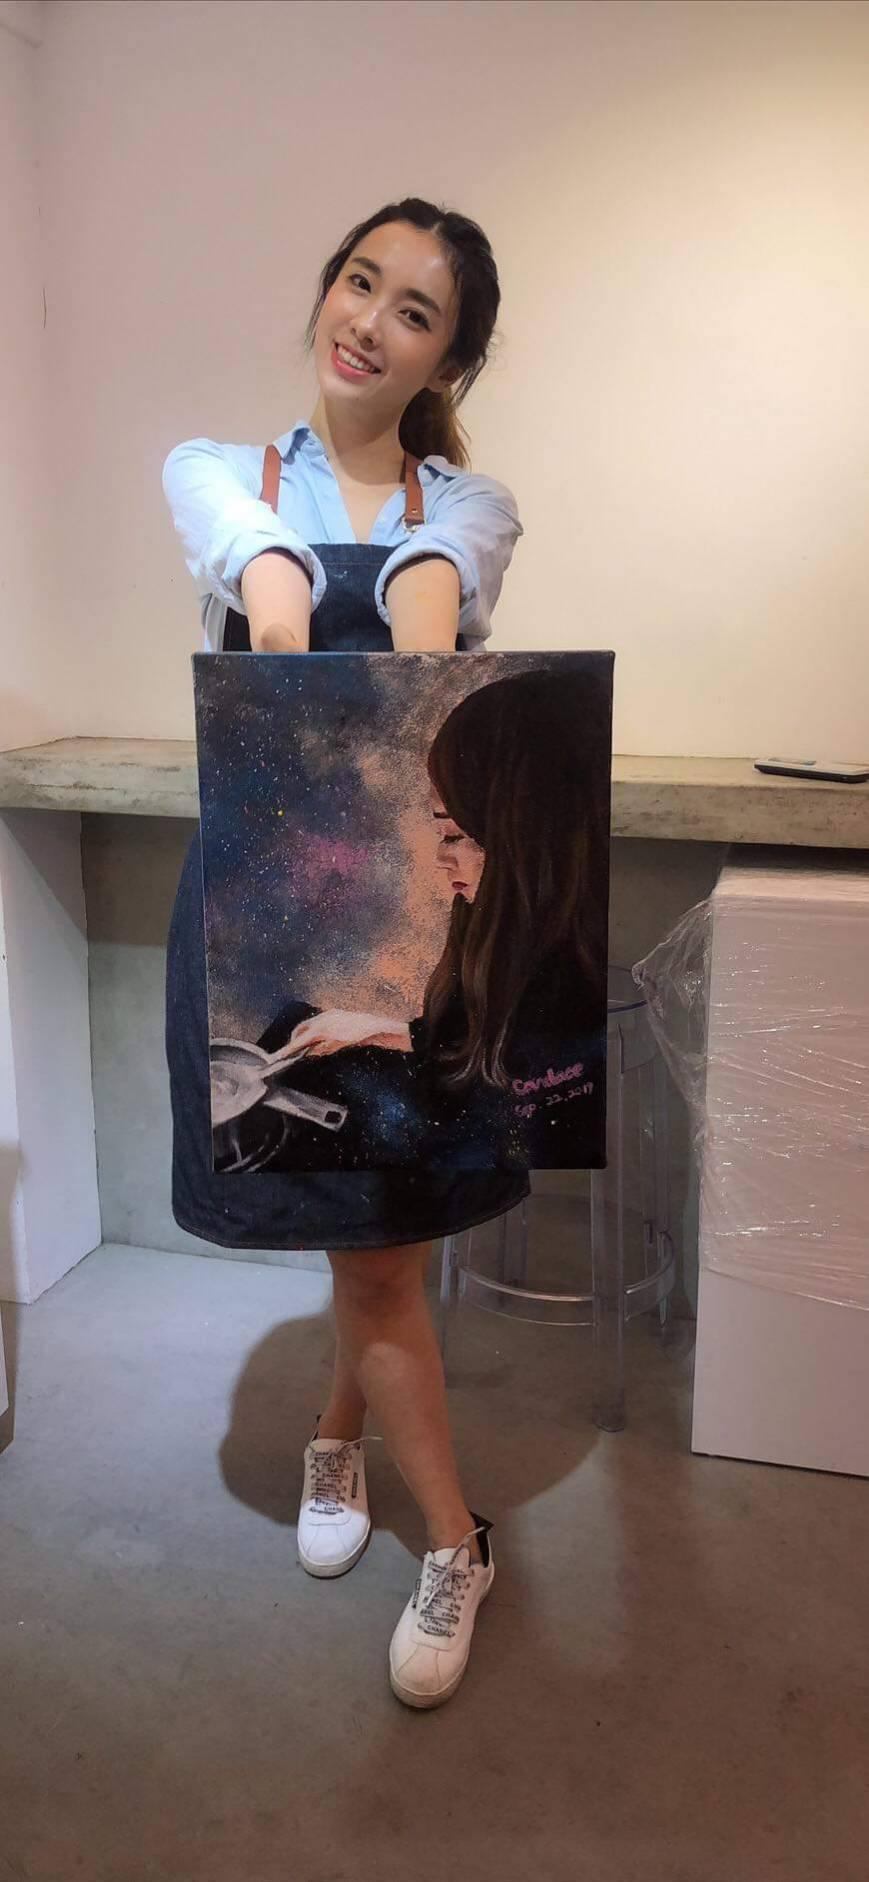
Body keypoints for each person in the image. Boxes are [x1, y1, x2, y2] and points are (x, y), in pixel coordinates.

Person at [162, 197, 533, 1710]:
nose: (370, 321)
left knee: (380, 1239)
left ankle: (448, 1533)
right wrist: (294, 587)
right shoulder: (212, 470)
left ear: (452, 357)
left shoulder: (475, 505)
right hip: (264, 909)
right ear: (328, 287)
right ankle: (371, 1463)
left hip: (413, 921)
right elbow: (267, 598)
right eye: (360, 282)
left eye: (415, 311)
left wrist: (390, 586)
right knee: (365, 1236)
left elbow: (429, 619)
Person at [257, 666, 611, 1173]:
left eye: (454, 834)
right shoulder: (500, 927)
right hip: (459, 1110)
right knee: (296, 1028)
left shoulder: (564, 977)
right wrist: (374, 1030)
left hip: (474, 1138)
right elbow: (469, 1047)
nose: (441, 858)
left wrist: (382, 1045)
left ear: (524, 836)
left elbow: (498, 1106)